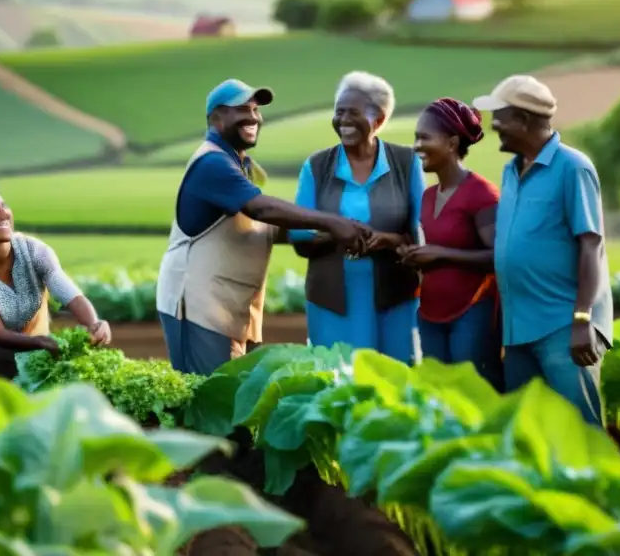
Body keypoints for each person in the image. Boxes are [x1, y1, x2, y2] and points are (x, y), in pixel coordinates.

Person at [156, 78, 372, 376]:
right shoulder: (212, 164)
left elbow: (261, 226)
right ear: (216, 118)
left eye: (256, 109)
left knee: (234, 393)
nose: (253, 117)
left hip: (230, 299)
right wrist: (333, 222)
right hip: (197, 302)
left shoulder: (241, 166)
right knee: (209, 395)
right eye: (242, 109)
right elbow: (262, 208)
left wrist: (329, 235)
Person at [472, 75, 613, 426]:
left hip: (562, 328)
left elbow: (591, 245)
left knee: (581, 430)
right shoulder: (510, 170)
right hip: (520, 330)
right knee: (526, 430)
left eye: (500, 117)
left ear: (523, 120)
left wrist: (582, 320)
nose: (495, 127)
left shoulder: (573, 167)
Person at [291, 71, 425, 363]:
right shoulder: (317, 166)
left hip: (396, 300)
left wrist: (389, 240)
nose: (343, 120)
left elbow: (421, 235)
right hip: (332, 301)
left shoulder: (406, 163)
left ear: (378, 120)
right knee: (335, 381)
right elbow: (299, 237)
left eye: (353, 112)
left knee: (394, 380)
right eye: (339, 112)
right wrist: (337, 234)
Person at [0, 185, 112, 388]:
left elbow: (70, 295)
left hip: (35, 366)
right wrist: (43, 343)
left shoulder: (34, 250)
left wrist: (93, 323)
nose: (4, 214)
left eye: (3, 206)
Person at [397, 98, 503, 389]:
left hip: (472, 310)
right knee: (438, 394)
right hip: (430, 311)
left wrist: (440, 255)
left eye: (424, 137)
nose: (417, 145)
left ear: (452, 143)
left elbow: (499, 257)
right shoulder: (428, 196)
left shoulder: (481, 194)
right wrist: (414, 255)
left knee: (471, 392)